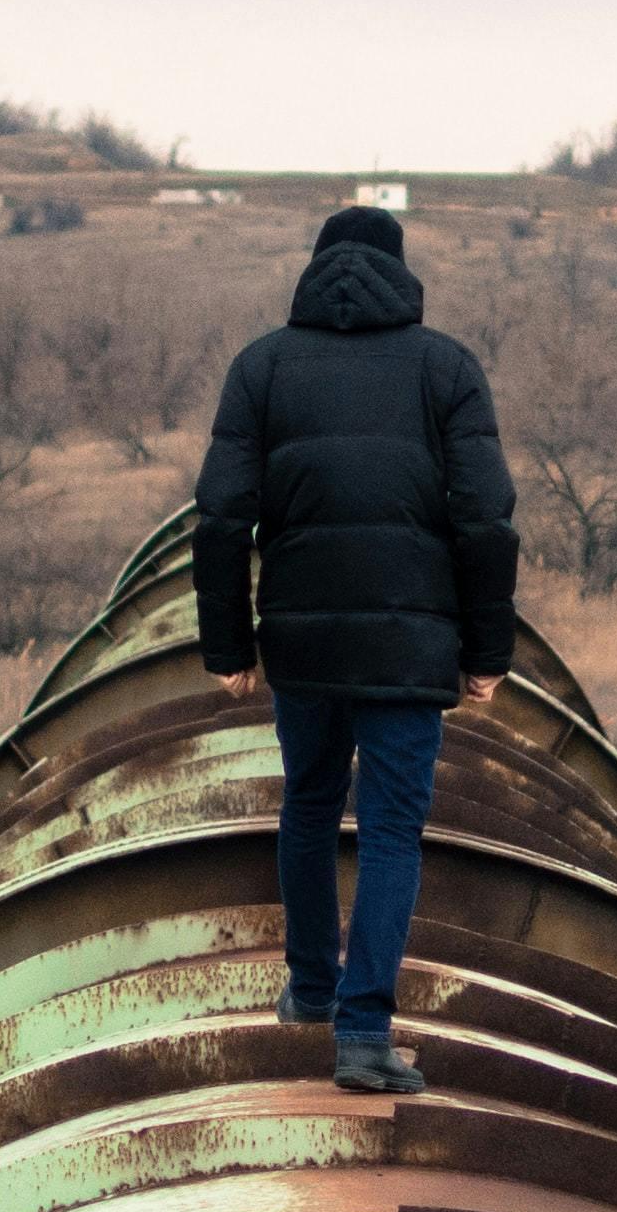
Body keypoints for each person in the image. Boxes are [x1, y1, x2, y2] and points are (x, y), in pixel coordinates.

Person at [196, 202, 516, 1094]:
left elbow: (221, 517)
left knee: (307, 804)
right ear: (401, 271)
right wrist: (488, 650)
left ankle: (309, 989)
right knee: (389, 832)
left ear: (315, 266)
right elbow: (485, 519)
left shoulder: (261, 367)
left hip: (300, 634)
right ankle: (364, 1035)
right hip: (413, 645)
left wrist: (227, 643)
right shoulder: (446, 368)